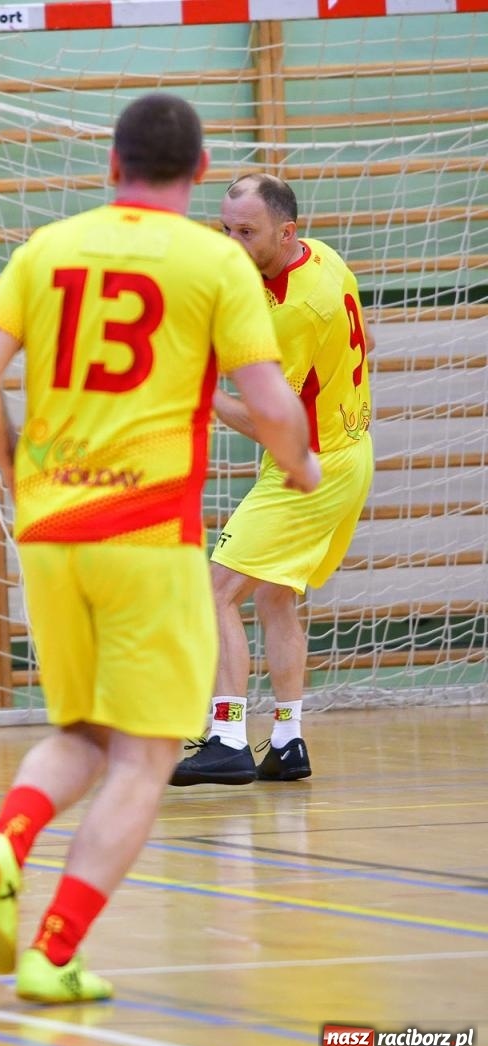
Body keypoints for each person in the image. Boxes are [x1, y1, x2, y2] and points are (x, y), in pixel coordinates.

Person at [0, 94, 320, 1003]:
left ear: (112, 165)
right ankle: (51, 950)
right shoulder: (213, 259)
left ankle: (7, 836)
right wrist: (303, 464)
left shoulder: (46, 249)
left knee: (82, 729)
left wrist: (10, 465)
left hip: (47, 526)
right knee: (149, 753)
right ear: (198, 176)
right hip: (146, 534)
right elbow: (270, 402)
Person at [171, 174, 374, 787]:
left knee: (214, 591)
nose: (231, 243)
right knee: (273, 594)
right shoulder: (325, 260)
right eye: (225, 229)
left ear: (285, 233)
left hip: (309, 466)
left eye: (246, 232)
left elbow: (269, 427)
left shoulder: (295, 311)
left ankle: (227, 736)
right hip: (345, 451)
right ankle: (287, 741)